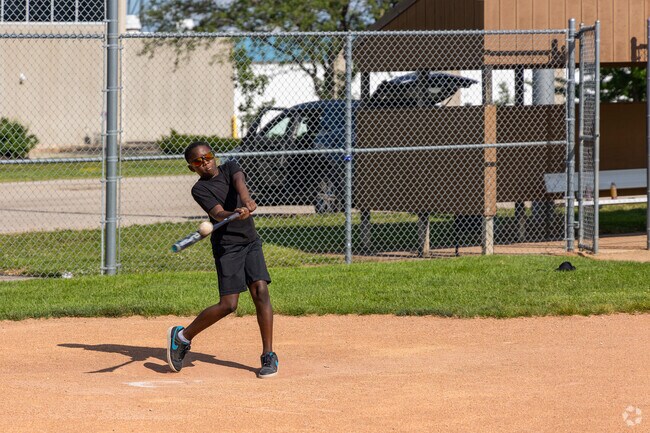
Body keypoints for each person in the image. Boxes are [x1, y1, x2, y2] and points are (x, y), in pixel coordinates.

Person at [166, 141, 278, 378]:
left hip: (250, 241)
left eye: (207, 157)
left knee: (261, 291)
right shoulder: (199, 189)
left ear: (214, 156)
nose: (205, 163)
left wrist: (246, 202)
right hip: (228, 247)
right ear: (192, 168)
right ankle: (182, 337)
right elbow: (217, 213)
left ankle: (268, 354)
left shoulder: (230, 167)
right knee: (229, 305)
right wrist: (233, 214)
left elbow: (240, 184)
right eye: (197, 161)